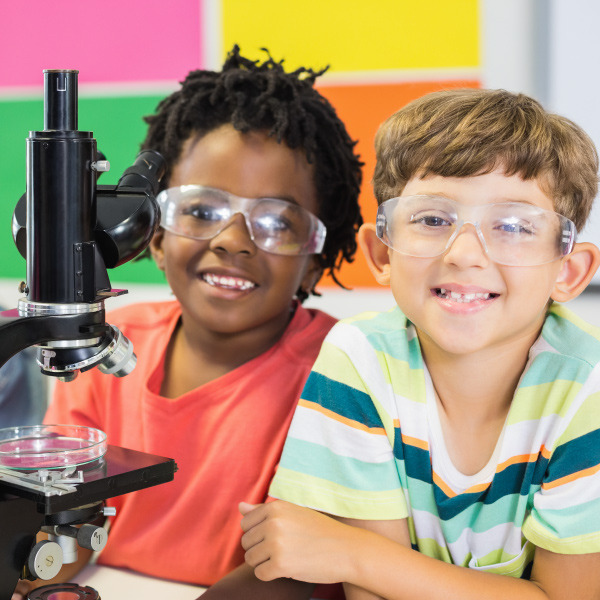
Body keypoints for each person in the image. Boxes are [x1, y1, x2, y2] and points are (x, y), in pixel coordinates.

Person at [13, 45, 362, 599]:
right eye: (201, 211)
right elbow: (63, 538)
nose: (232, 241)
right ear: (150, 228)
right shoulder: (100, 343)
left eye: (277, 222)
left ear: (317, 255)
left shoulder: (345, 371)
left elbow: (297, 566)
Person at [239, 88, 600, 600]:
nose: (466, 254)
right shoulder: (360, 357)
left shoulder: (587, 386)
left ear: (569, 270)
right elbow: (370, 595)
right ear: (380, 253)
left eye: (515, 226)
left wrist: (351, 553)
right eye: (433, 220)